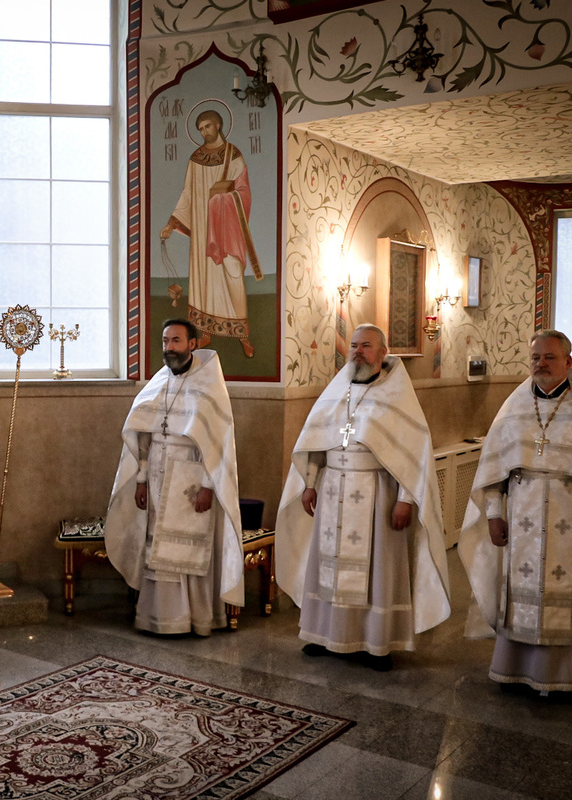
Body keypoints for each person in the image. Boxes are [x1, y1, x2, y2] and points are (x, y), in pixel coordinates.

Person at [275, 324, 450, 670]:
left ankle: (375, 643)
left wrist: (406, 499)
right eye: (354, 345)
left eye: (366, 346)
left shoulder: (397, 396)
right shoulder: (335, 391)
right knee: (328, 563)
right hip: (332, 490)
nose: (357, 351)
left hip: (377, 494)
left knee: (377, 570)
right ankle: (325, 635)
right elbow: (315, 443)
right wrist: (309, 483)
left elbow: (414, 455)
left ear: (383, 352)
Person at [459, 329, 572, 698]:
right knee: (519, 592)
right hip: (522, 514)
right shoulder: (514, 407)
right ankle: (515, 670)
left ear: (568, 361)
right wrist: (494, 514)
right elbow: (494, 472)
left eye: (550, 357)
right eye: (535, 358)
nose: (541, 364)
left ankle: (567, 678)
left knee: (569, 594)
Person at [104, 318, 245, 635]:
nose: (169, 347)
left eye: (176, 341)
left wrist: (208, 486)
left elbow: (217, 444)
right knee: (156, 545)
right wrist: (141, 478)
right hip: (157, 472)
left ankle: (191, 618)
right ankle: (157, 617)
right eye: (165, 341)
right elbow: (142, 434)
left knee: (187, 549)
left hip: (191, 477)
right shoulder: (159, 381)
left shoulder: (209, 386)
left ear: (192, 344)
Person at [159, 109, 261, 359]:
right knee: (204, 279)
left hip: (227, 227)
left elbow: (244, 190)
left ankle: (242, 335)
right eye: (200, 129)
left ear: (218, 125)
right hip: (203, 229)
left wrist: (223, 199)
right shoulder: (196, 158)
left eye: (207, 126)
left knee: (233, 273)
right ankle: (205, 330)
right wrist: (172, 223)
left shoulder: (233, 155)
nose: (204, 132)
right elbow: (188, 192)